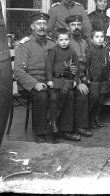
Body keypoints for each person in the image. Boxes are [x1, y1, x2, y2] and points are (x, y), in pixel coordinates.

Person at [14, 12, 55, 143]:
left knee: (68, 92)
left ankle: (60, 128)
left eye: (44, 24)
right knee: (41, 96)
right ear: (32, 26)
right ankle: (39, 134)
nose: (42, 26)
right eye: (38, 24)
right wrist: (34, 84)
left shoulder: (52, 44)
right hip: (28, 84)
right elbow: (18, 72)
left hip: (48, 81)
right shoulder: (24, 45)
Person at [45, 28, 81, 141]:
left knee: (65, 93)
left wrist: (75, 79)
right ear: (56, 40)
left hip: (67, 80)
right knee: (54, 98)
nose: (64, 42)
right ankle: (54, 124)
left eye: (66, 39)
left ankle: (54, 120)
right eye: (61, 40)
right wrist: (50, 80)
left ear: (69, 40)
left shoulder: (72, 51)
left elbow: (77, 66)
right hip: (56, 80)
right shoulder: (53, 51)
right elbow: (48, 67)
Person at [66, 15, 93, 137]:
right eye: (73, 25)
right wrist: (78, 82)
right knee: (81, 94)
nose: (76, 27)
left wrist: (86, 77)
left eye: (78, 25)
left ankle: (83, 124)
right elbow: (67, 66)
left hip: (82, 76)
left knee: (95, 91)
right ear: (68, 27)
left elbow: (86, 63)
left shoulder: (84, 42)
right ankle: (76, 127)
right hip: (69, 78)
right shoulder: (66, 42)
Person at [86, 29, 110, 128]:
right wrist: (87, 79)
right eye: (97, 37)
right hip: (94, 81)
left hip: (104, 80)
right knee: (94, 99)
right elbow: (87, 66)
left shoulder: (105, 50)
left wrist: (108, 76)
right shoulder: (90, 51)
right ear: (92, 39)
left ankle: (96, 117)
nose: (100, 39)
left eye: (101, 37)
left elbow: (108, 64)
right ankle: (89, 119)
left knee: (101, 100)